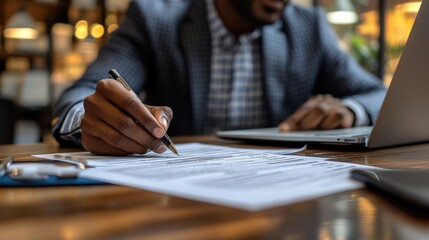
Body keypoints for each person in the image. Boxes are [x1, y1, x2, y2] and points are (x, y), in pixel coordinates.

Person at [52, 0, 386, 155]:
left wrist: (351, 109)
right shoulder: (154, 18)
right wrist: (96, 121)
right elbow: (79, 96)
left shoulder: (308, 27)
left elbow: (377, 94)